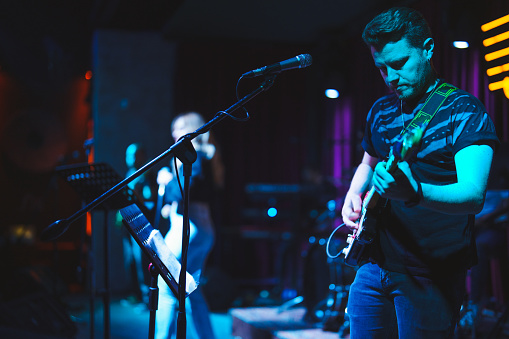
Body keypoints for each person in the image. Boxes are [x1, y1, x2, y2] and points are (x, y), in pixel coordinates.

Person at [340, 7, 499, 339]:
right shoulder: (381, 111)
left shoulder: (464, 111)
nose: (392, 77)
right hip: (373, 264)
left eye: (399, 64)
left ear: (427, 49)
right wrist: (353, 195)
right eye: (382, 68)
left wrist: (415, 193)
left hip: (429, 273)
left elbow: (474, 195)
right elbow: (367, 163)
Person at [155, 112, 222, 339]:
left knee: (165, 286)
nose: (173, 133)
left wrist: (167, 181)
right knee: (192, 289)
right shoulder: (207, 154)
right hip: (203, 227)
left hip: (188, 227)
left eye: (178, 128)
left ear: (190, 130)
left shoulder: (193, 157)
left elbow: (186, 189)